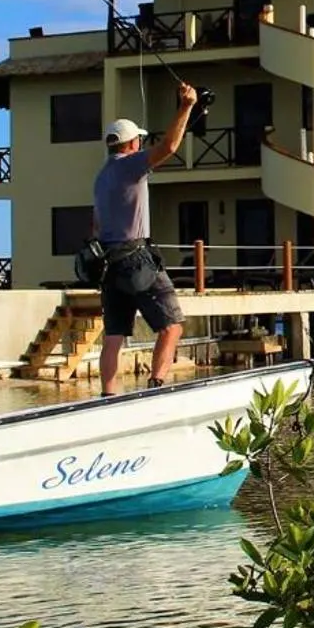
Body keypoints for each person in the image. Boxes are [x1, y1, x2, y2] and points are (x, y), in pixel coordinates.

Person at [92, 82, 198, 395]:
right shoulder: (131, 165)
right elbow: (169, 147)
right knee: (171, 326)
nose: (141, 144)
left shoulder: (101, 176)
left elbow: (95, 225)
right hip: (136, 258)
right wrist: (186, 106)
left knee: (114, 335)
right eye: (139, 140)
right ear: (131, 143)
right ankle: (156, 387)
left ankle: (108, 396)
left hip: (109, 263)